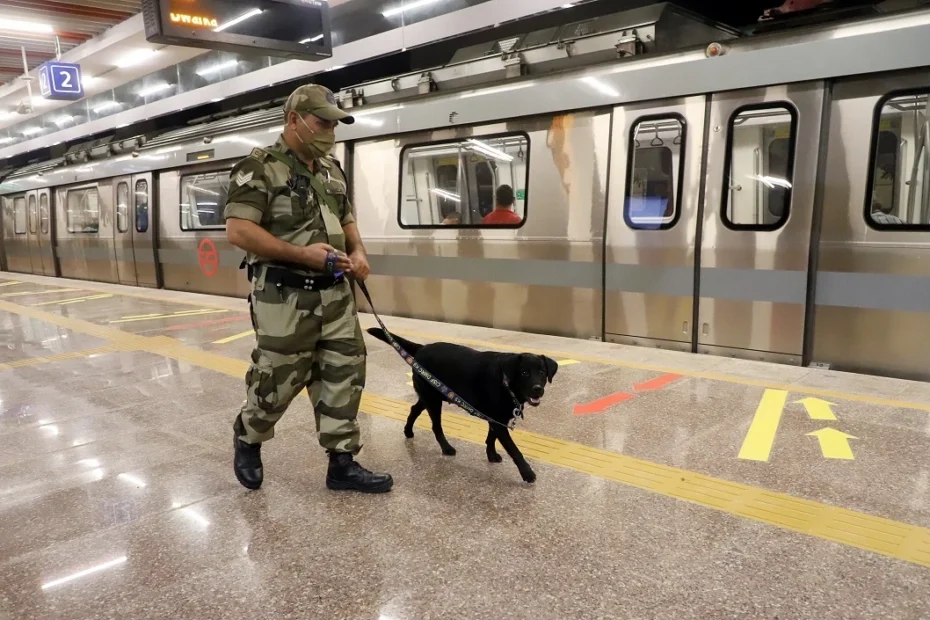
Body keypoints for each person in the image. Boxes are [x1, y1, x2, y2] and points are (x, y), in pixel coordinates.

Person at [223, 84, 393, 494]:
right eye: (322, 122)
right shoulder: (258, 168)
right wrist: (302, 255)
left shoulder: (332, 170)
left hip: (336, 293)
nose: (330, 131)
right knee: (279, 378)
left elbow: (348, 222)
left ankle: (342, 462)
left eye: (334, 124)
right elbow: (239, 230)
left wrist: (359, 253)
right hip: (284, 297)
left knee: (344, 372)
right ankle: (248, 435)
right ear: (293, 120)